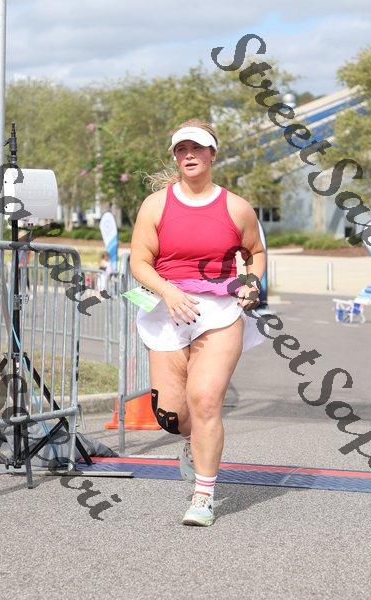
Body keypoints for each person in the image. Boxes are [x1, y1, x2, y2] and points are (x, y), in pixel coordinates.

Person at [130, 119, 266, 526]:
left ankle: (203, 496)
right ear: (175, 156)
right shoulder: (155, 205)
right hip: (166, 308)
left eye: (197, 148)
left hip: (219, 313)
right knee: (172, 416)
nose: (189, 155)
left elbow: (256, 252)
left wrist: (252, 282)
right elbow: (139, 261)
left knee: (205, 400)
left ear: (212, 154)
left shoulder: (236, 207)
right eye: (181, 149)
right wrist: (169, 292)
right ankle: (191, 442)